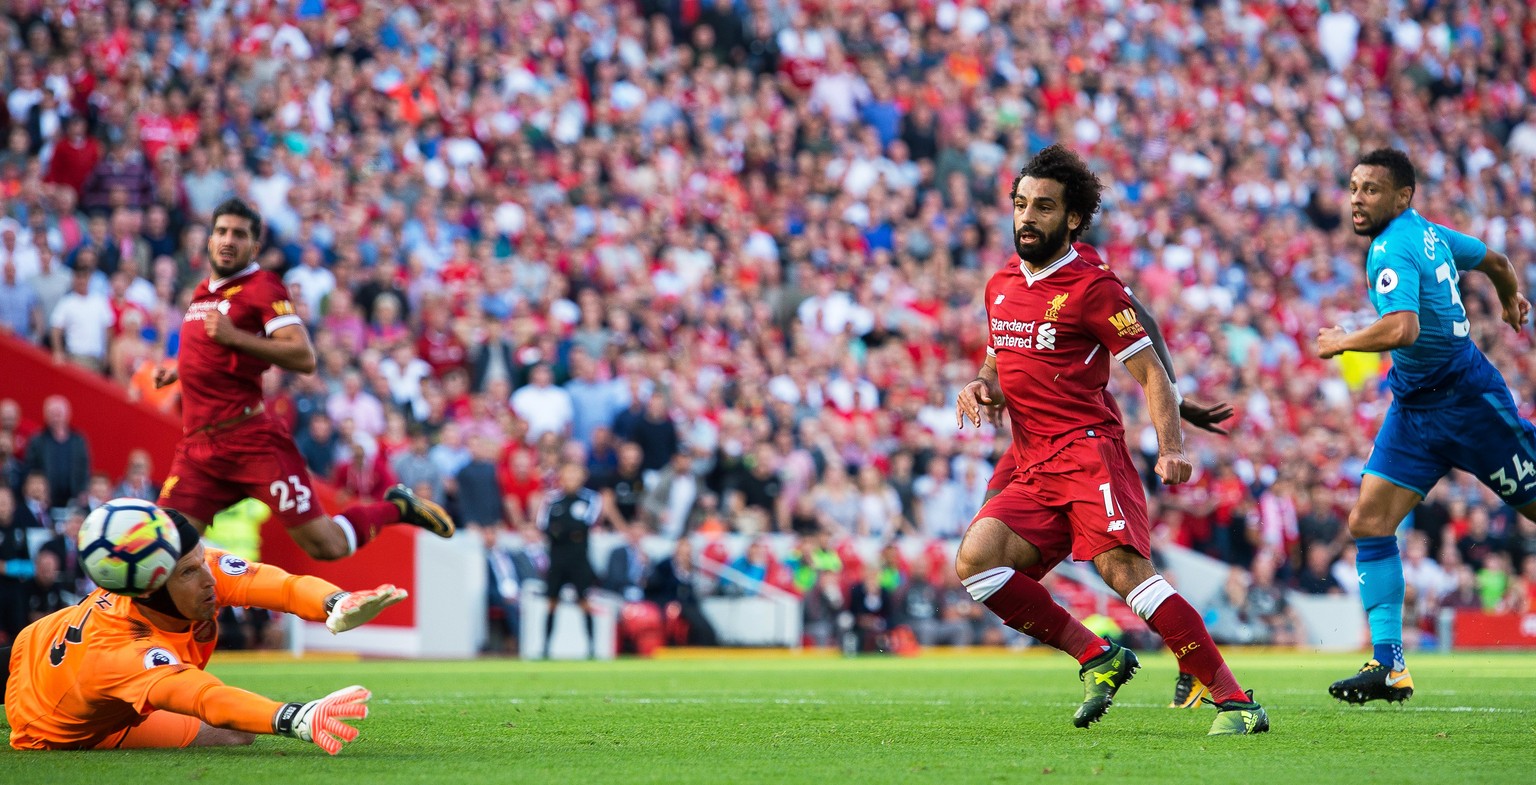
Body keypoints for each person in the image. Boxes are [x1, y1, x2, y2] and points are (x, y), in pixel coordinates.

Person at [954, 146, 1268, 735]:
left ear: (1072, 218)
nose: (1027, 217)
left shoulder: (1092, 287)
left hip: (1086, 452)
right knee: (977, 564)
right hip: (1028, 459)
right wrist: (980, 384)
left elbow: (1148, 367)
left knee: (1122, 572)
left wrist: (1172, 442)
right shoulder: (1000, 284)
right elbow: (998, 359)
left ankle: (1235, 701)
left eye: (1043, 207)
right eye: (1020, 204)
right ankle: (1099, 656)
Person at [1315, 148, 1536, 705]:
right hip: (1415, 410)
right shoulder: (1432, 234)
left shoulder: (1392, 245)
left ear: (1402, 197)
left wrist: (1343, 340)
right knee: (1368, 522)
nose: (1357, 199)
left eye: (1370, 189)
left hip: (1468, 403)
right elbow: (1499, 264)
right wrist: (1511, 300)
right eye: (1353, 186)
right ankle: (1389, 665)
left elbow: (1403, 329)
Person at [149, 199, 454, 560]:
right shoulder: (203, 292)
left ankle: (397, 508)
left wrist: (236, 337)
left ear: (254, 247)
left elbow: (304, 356)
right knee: (167, 552)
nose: (228, 240)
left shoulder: (263, 287)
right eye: (221, 232)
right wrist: (180, 370)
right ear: (210, 239)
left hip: (250, 442)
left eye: (239, 234)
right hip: (199, 448)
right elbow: (209, 351)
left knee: (327, 546)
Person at [4, 509, 404, 752]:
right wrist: (294, 718)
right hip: (48, 724)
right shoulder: (124, 651)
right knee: (234, 732)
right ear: (153, 587)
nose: (210, 577)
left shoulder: (187, 568)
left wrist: (337, 602)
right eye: (191, 571)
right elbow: (206, 699)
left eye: (203, 560)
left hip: (43, 642)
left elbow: (283, 586)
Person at [537, 462, 603, 659]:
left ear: (583, 477)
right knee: (551, 602)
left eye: (576, 474)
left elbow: (584, 526)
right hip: (557, 559)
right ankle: (545, 648)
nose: (572, 479)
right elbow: (545, 527)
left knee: (584, 601)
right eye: (568, 474)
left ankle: (592, 648)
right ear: (561, 477)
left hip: (579, 559)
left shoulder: (591, 498)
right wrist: (568, 531)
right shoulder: (551, 499)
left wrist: (561, 530)